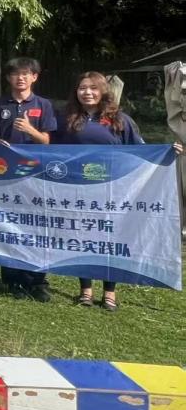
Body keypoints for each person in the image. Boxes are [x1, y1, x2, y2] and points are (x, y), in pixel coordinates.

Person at [57, 72, 145, 311]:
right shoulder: (68, 119)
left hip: (112, 190)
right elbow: (50, 147)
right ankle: (85, 289)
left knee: (110, 238)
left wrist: (168, 151)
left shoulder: (120, 120)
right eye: (82, 88)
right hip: (78, 189)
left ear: (103, 91)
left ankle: (110, 292)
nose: (87, 92)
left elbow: (141, 151)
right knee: (82, 237)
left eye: (93, 88)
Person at [0, 57, 58, 302]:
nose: (20, 78)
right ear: (9, 78)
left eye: (25, 73)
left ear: (34, 77)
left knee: (36, 226)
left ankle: (37, 280)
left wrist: (30, 131)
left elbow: (48, 141)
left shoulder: (44, 105)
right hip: (6, 176)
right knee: (8, 224)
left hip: (36, 174)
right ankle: (12, 280)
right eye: (15, 74)